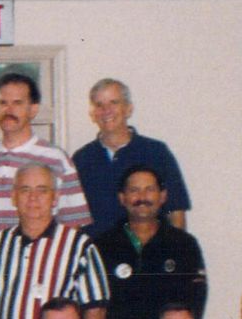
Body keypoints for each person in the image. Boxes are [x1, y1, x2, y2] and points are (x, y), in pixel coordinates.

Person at [0, 164, 112, 319]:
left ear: (55, 197)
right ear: (13, 197)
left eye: (42, 190)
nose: (33, 198)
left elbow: (95, 312)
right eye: (25, 190)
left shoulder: (79, 246)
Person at [93, 167, 208, 319]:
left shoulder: (183, 244)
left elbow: (194, 301)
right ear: (122, 198)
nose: (142, 197)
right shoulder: (103, 245)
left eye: (149, 190)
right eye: (134, 190)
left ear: (162, 196)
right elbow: (96, 307)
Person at [73, 78, 190, 234]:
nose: (106, 110)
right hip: (96, 248)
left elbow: (175, 210)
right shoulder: (82, 159)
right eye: (99, 105)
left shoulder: (156, 153)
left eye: (114, 102)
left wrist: (175, 245)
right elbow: (73, 218)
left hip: (149, 247)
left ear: (128, 109)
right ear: (93, 114)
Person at [0, 72, 86, 235]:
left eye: (17, 103)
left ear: (33, 110)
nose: (8, 110)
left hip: (40, 251)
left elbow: (73, 221)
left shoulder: (56, 158)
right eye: (3, 103)